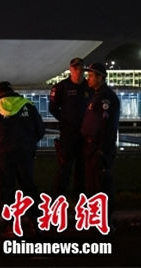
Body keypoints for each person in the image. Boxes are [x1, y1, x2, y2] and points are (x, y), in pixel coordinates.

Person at [0, 81, 44, 227]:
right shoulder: (28, 105)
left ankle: (11, 223)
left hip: (2, 154)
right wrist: (29, 143)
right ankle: (35, 221)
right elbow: (40, 130)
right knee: (28, 185)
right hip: (25, 153)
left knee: (6, 187)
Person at [49, 57, 91, 200]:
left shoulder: (89, 86)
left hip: (85, 133)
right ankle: (59, 196)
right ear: (70, 69)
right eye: (75, 68)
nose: (78, 71)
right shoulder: (61, 87)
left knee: (82, 165)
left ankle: (80, 196)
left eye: (80, 68)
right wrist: (66, 121)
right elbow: (53, 108)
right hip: (68, 132)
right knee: (65, 165)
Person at [81, 63, 120, 203]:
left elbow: (106, 125)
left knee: (101, 184)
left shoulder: (106, 97)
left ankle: (104, 214)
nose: (88, 78)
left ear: (100, 77)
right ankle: (95, 214)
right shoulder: (97, 95)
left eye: (91, 76)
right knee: (92, 184)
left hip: (99, 147)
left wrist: (101, 149)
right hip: (92, 146)